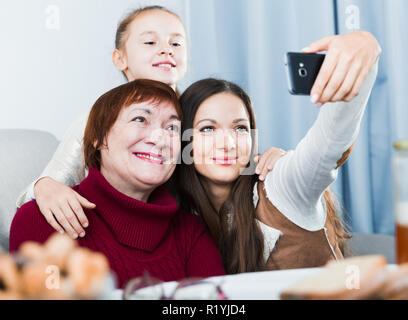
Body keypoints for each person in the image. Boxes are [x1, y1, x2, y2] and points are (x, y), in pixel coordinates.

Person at [16, 5, 282, 240]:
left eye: (176, 43)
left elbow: (233, 162)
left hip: (188, 238)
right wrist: (45, 186)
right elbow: (46, 186)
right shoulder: (95, 120)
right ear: (120, 59)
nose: (166, 49)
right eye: (150, 42)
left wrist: (274, 162)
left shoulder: (196, 110)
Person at [176, 31, 381, 274]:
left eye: (240, 128)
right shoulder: (182, 213)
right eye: (208, 128)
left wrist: (364, 49)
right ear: (183, 140)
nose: (228, 143)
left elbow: (329, 142)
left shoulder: (279, 185)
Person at [10, 79, 226, 288]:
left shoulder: (192, 233)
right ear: (99, 137)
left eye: (172, 128)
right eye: (140, 119)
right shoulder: (40, 220)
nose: (159, 138)